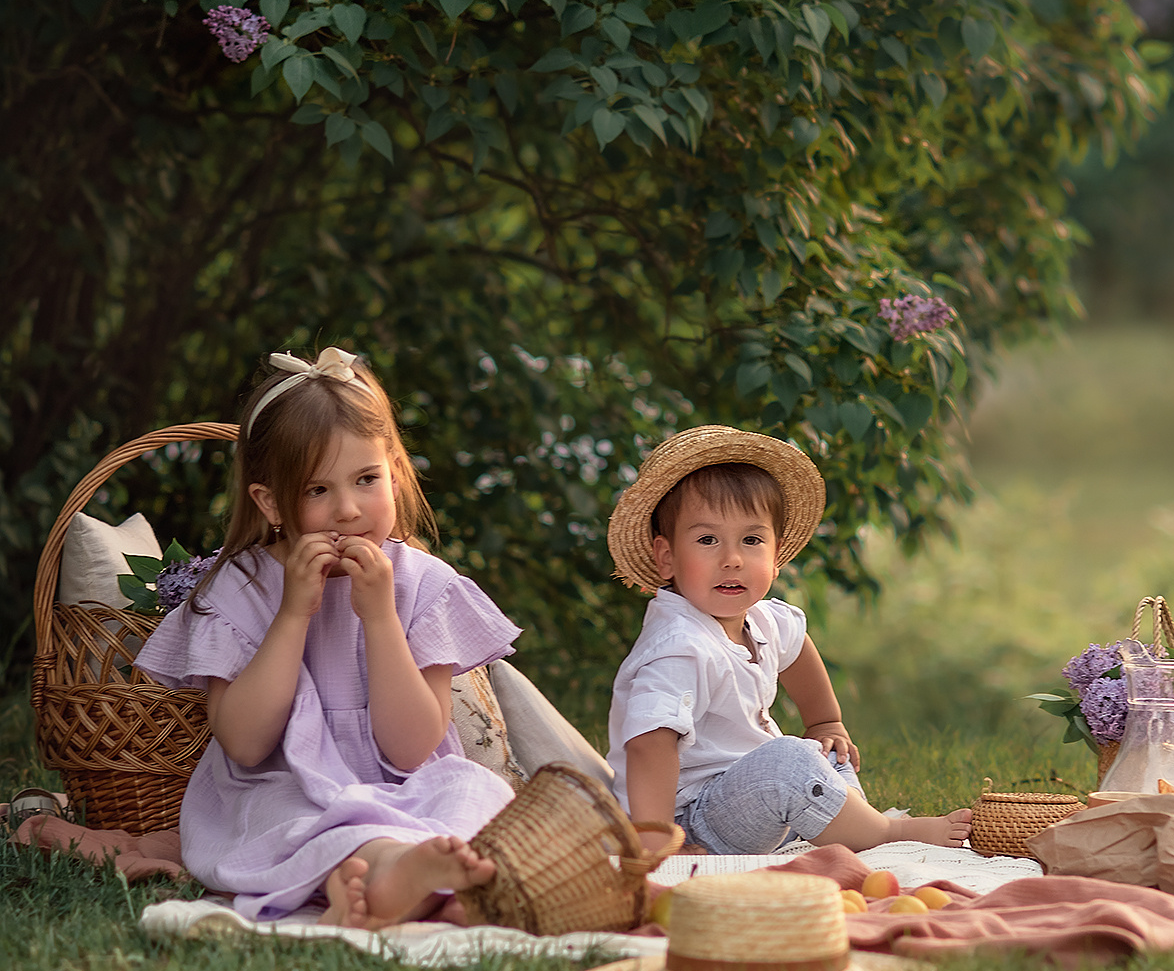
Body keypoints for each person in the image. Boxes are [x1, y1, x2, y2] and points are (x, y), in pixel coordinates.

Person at [136, 345, 520, 929]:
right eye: (318, 491)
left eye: (367, 480)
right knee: (288, 817)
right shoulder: (238, 589)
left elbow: (414, 748)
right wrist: (293, 614)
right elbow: (243, 744)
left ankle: (404, 882)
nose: (348, 510)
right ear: (270, 502)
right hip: (282, 786)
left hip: (402, 786)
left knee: (472, 790)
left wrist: (381, 619)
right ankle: (400, 877)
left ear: (393, 472)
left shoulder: (421, 585)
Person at [605, 425, 973, 862]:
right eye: (707, 540)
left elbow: (796, 649)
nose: (732, 559)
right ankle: (887, 831)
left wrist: (825, 722)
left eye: (752, 540)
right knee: (786, 761)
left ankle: (847, 824)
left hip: (748, 801)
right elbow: (649, 743)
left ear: (776, 558)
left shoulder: (763, 618)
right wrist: (654, 839)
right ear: (666, 557)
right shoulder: (679, 646)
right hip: (690, 822)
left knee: (821, 753)